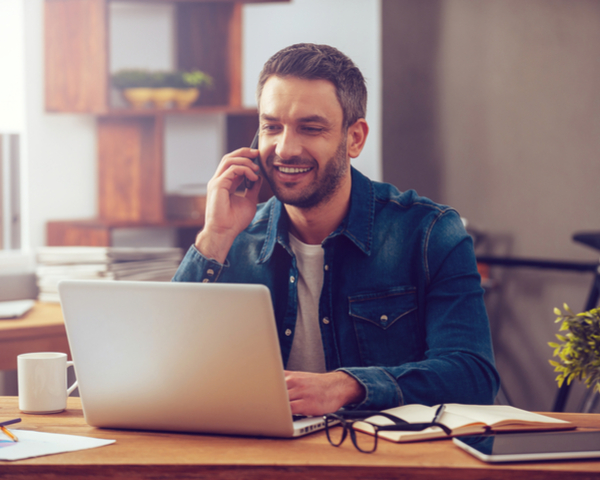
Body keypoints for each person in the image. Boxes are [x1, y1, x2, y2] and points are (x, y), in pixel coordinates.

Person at [173, 43, 500, 416]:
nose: (285, 149)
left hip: (381, 463)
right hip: (259, 460)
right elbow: (164, 368)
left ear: (354, 138)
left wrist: (347, 386)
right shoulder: (233, 238)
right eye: (271, 127)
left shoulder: (430, 233)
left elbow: (473, 376)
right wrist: (214, 236)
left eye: (310, 128)